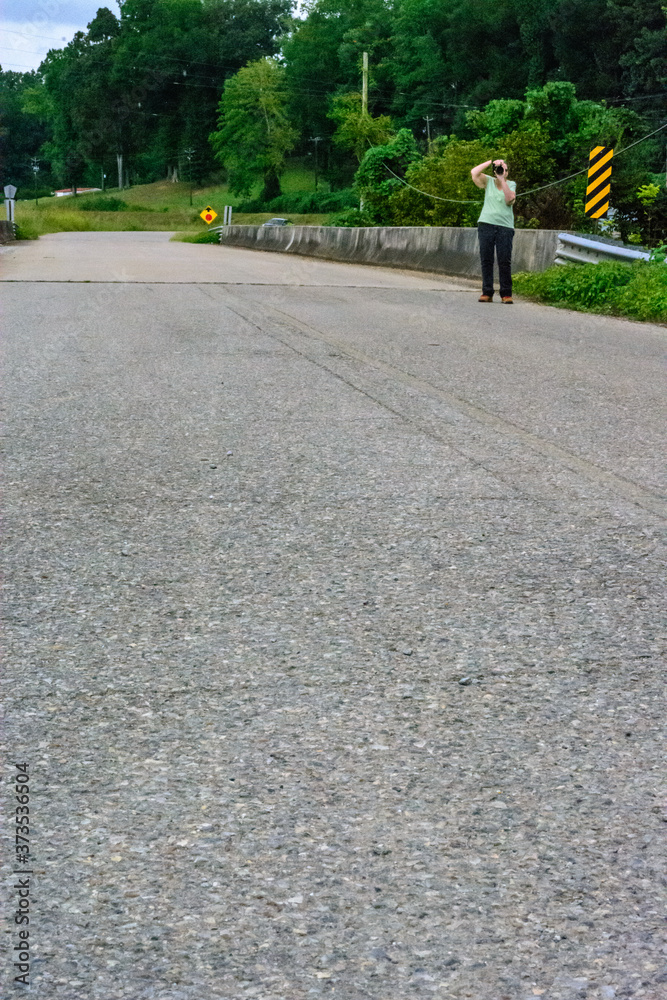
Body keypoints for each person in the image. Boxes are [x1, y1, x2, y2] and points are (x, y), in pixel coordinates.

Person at [470, 158, 517, 304]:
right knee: (486, 259)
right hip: (486, 224)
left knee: (504, 260)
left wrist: (502, 179)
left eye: (505, 169)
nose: (502, 171)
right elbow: (474, 172)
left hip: (505, 227)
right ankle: (487, 292)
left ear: (507, 173)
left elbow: (510, 199)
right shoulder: (488, 181)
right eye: (499, 169)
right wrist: (492, 163)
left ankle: (506, 294)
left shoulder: (510, 184)